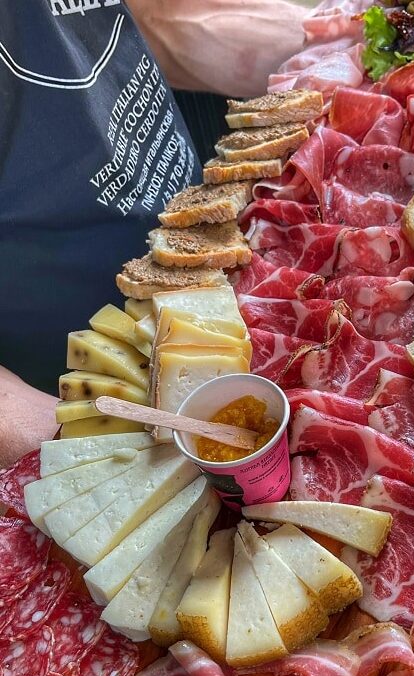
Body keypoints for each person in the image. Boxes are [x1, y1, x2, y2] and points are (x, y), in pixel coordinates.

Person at [0, 0, 307, 468]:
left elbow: (147, 16)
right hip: (85, 379)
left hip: (216, 253)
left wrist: (319, 43)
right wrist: (66, 452)